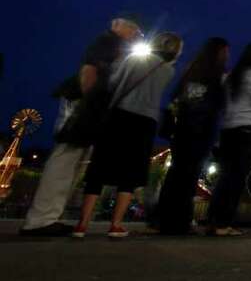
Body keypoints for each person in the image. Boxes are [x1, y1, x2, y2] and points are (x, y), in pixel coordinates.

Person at [20, 15, 141, 236]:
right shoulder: (107, 42)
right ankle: (40, 219)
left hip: (90, 106)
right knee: (65, 158)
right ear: (118, 25)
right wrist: (89, 104)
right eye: (133, 29)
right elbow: (89, 71)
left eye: (138, 32)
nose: (135, 35)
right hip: (83, 105)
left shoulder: (115, 46)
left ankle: (49, 217)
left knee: (74, 161)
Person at [73, 32, 183, 238]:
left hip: (120, 114)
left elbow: (114, 81)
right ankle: (116, 224)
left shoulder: (133, 59)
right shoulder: (168, 70)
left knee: (99, 166)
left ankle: (82, 224)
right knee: (130, 172)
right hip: (146, 120)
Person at [157, 37, 230, 235]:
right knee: (190, 176)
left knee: (175, 174)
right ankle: (181, 220)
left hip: (183, 128)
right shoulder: (218, 76)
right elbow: (222, 103)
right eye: (225, 52)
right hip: (203, 130)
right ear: (220, 52)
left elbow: (176, 98)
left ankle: (162, 219)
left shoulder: (191, 73)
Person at [207, 42, 251, 237]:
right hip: (249, 129)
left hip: (228, 130)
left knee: (225, 176)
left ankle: (213, 220)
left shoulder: (231, 76)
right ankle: (224, 223)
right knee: (237, 178)